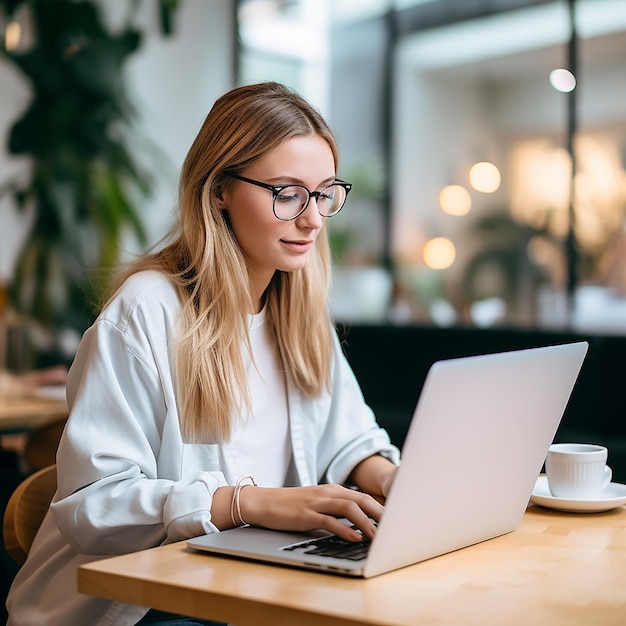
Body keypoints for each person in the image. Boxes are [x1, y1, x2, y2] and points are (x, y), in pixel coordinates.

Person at [6, 81, 400, 625]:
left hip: (252, 582)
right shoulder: (146, 313)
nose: (312, 219)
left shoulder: (298, 309)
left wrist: (389, 479)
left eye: (325, 192)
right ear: (218, 189)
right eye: (287, 193)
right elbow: (91, 510)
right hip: (147, 604)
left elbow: (349, 439)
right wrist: (250, 503)